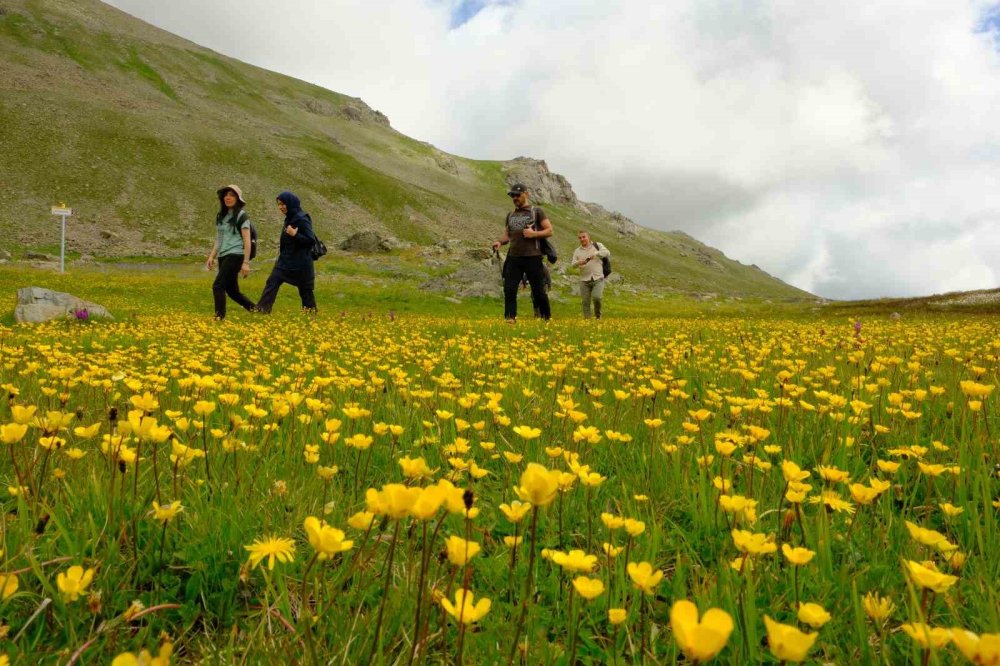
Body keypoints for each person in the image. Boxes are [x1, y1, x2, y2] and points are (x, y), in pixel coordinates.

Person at [491, 183, 552, 321]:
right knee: (509, 289)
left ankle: (546, 319)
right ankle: (510, 319)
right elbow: (507, 234)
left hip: (533, 257)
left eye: (517, 195)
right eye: (512, 195)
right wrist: (499, 242)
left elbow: (549, 230)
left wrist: (533, 234)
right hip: (514, 257)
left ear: (526, 194)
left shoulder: (537, 211)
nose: (515, 198)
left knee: (538, 291)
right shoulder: (510, 215)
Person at [255, 191, 318, 314]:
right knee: (272, 282)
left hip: (301, 264)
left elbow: (311, 240)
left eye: (283, 204)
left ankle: (311, 315)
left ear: (291, 203)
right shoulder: (289, 218)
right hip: (286, 261)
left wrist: (295, 235)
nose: (280, 207)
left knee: (305, 291)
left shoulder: (302, 218)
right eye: (279, 204)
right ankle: (262, 310)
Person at [206, 185, 256, 319]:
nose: (228, 198)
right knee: (232, 291)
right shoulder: (221, 216)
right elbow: (219, 238)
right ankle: (257, 310)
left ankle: (219, 318)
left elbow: (247, 240)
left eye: (232, 195)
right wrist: (212, 256)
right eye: (226, 195)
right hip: (223, 255)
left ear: (238, 199)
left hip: (235, 255)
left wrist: (245, 263)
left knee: (218, 286)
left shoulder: (242, 216)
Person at [571, 231, 610, 319]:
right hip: (584, 279)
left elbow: (607, 252)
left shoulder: (597, 245)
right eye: (580, 238)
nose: (582, 239)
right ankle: (587, 320)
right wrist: (579, 262)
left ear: (588, 237)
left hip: (598, 277)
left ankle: (598, 316)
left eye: (584, 237)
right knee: (585, 301)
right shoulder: (577, 251)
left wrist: (596, 253)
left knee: (597, 297)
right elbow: (573, 265)